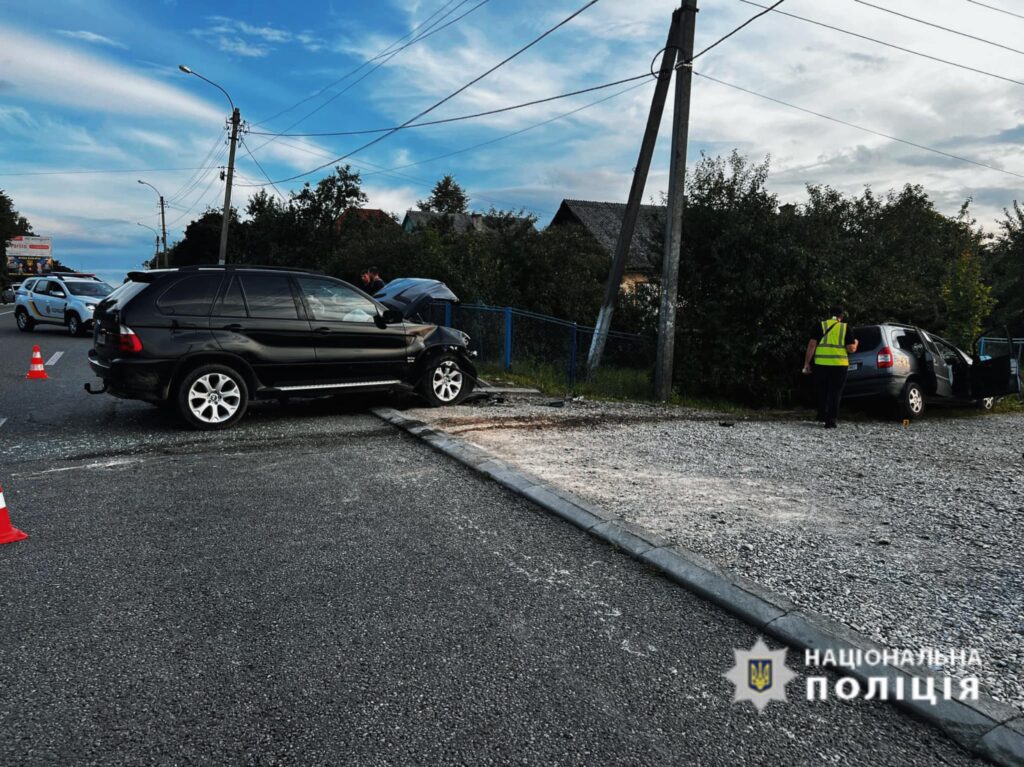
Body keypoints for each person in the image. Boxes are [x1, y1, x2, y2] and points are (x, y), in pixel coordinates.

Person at [802, 305, 859, 429]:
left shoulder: (820, 325)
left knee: (822, 391)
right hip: (839, 366)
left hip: (821, 365)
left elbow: (812, 345)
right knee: (835, 393)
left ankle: (822, 415)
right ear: (842, 316)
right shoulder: (845, 327)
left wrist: (807, 363)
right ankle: (830, 421)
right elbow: (851, 349)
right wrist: (856, 343)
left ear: (830, 314)